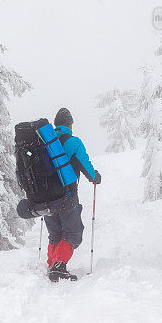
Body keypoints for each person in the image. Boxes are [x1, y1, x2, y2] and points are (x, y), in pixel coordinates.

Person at [45, 107, 101, 282]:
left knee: (55, 233)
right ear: (70, 125)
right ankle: (59, 266)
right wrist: (95, 177)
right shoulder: (74, 142)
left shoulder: (45, 143)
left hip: (45, 198)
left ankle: (52, 262)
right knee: (73, 233)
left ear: (56, 125)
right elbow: (86, 166)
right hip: (66, 196)